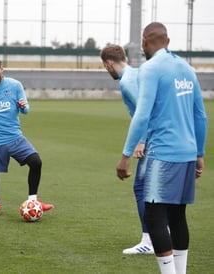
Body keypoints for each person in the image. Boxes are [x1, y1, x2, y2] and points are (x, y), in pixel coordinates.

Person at [116, 22, 207, 274]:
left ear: (145, 41)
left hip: (163, 154)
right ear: (168, 41)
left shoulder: (151, 68)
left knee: (155, 217)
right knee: (178, 217)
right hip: (187, 154)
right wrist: (199, 154)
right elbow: (200, 116)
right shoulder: (188, 69)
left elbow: (142, 115)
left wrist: (125, 156)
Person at [0, 55, 54, 216]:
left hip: (15, 138)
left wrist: (23, 106)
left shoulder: (15, 85)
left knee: (36, 162)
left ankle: (33, 201)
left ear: (2, 69)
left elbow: (26, 110)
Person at [100, 45, 153, 255]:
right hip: (160, 136)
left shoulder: (127, 81)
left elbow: (144, 112)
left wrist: (141, 141)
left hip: (151, 139)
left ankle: (149, 241)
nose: (106, 70)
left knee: (141, 189)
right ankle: (162, 233)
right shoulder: (137, 73)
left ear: (109, 63)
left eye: (105, 67)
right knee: (156, 189)